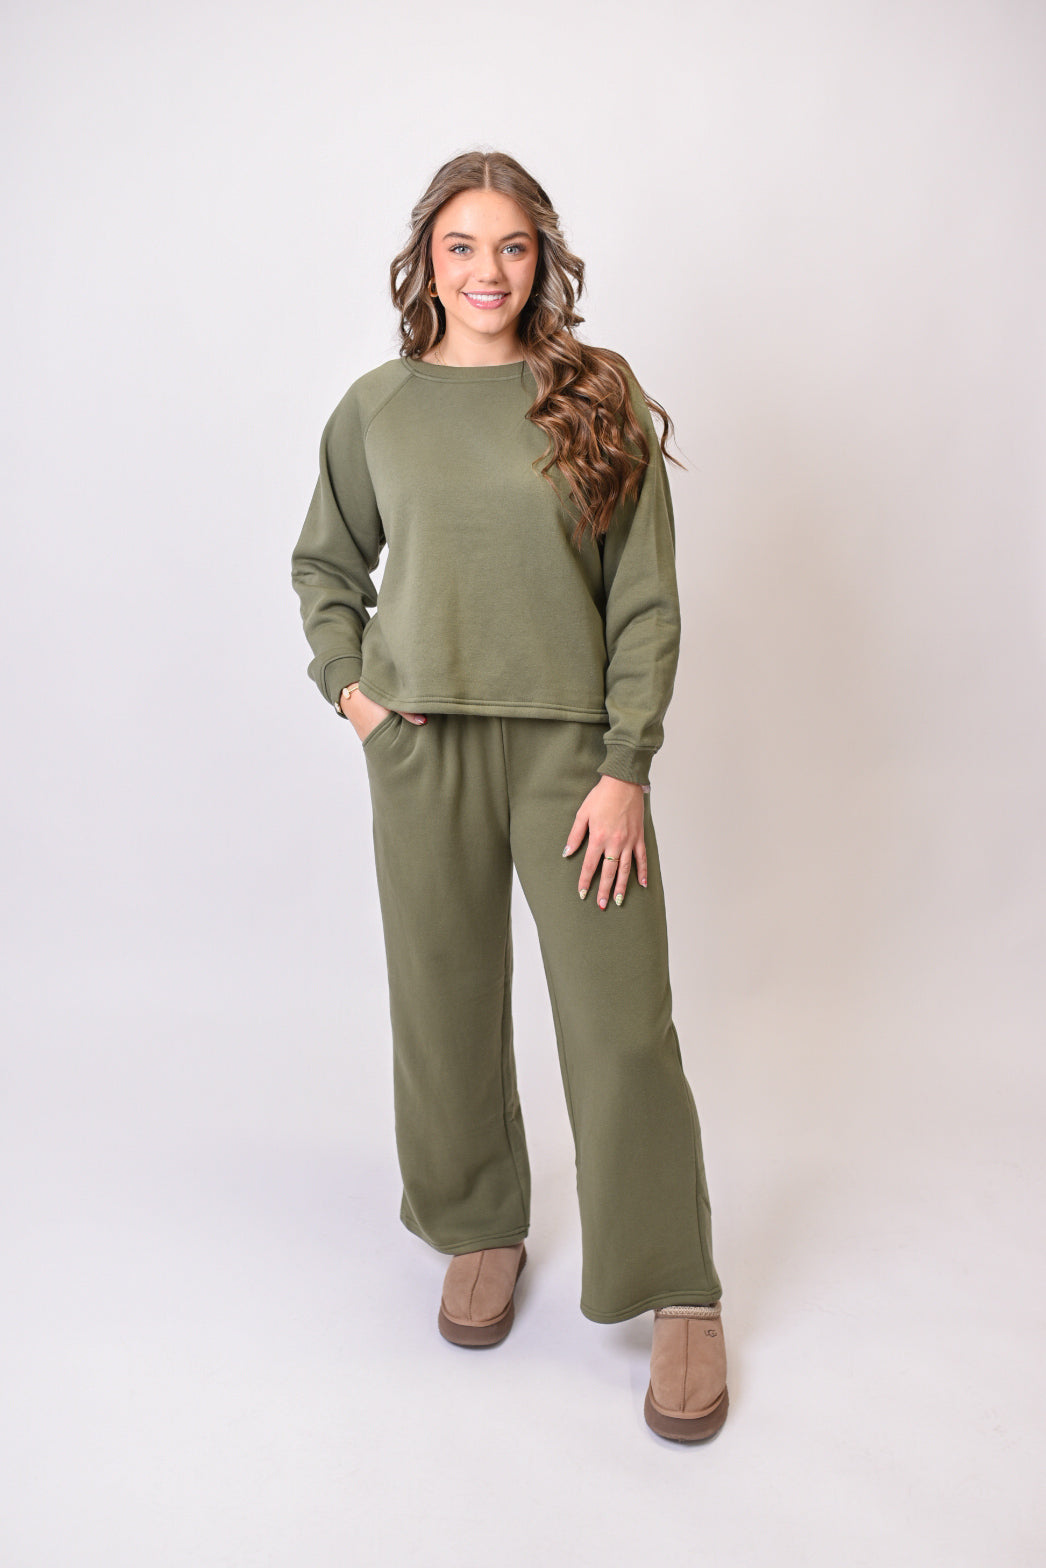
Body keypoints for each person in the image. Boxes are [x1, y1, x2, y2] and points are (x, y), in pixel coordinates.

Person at [290, 150, 728, 1443]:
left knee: (620, 1027)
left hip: (571, 760)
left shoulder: (593, 394)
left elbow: (643, 598)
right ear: (427, 262)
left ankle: (677, 1285)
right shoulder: (377, 408)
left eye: (514, 246)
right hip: (422, 748)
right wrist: (353, 694)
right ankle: (480, 1223)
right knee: (443, 1005)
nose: (489, 271)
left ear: (543, 260)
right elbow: (326, 565)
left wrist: (625, 764)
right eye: (463, 246)